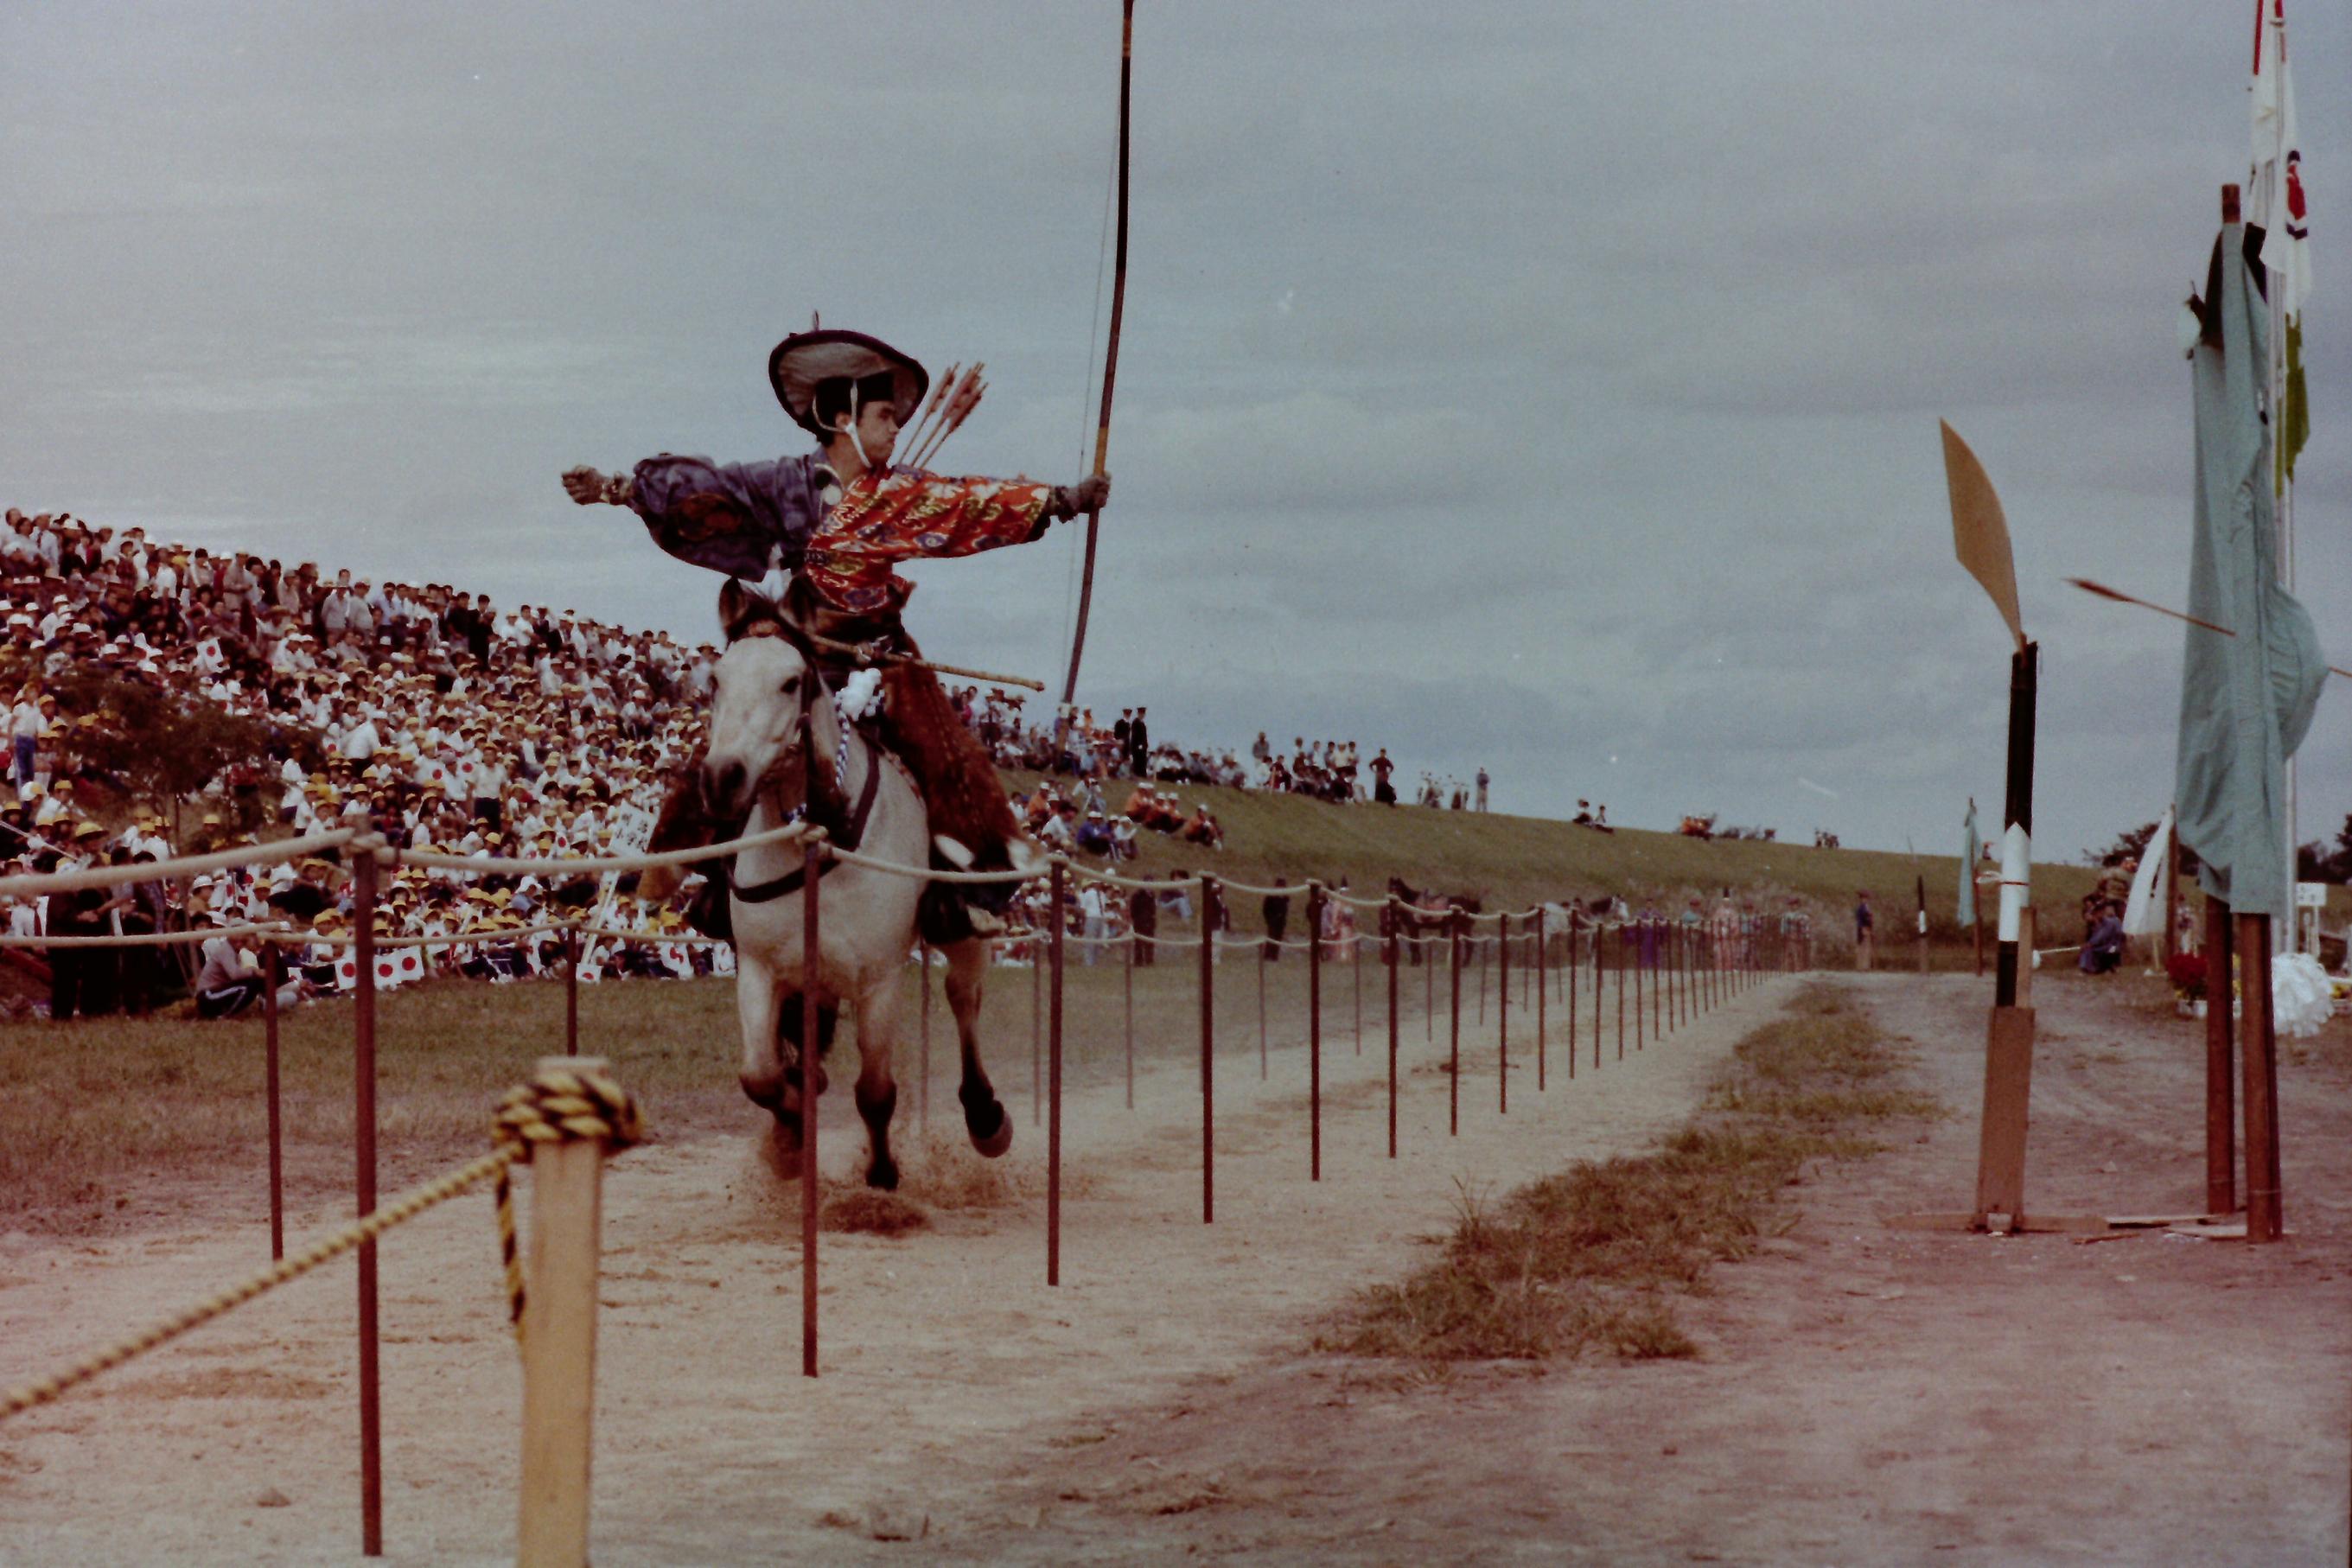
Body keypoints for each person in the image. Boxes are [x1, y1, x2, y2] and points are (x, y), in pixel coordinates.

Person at [564, 325, 1110, 935]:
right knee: (724, 756)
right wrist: (615, 489)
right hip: (797, 650)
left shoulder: (899, 492)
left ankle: (953, 899)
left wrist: (1060, 499)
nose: (895, 428)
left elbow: (968, 504)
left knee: (949, 759)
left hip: (877, 656)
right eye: (884, 416)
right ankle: (715, 883)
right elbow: (705, 492)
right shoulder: (780, 482)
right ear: (842, 419)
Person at [1853, 889, 1875, 972]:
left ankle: (1865, 966)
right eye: (1863, 898)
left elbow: (1869, 918)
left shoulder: (1866, 907)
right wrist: (1862, 928)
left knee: (1866, 947)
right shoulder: (1861, 908)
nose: (1864, 900)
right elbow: (1860, 919)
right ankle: (1861, 966)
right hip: (1863, 928)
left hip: (1867, 928)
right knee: (1862, 947)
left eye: (1865, 898)